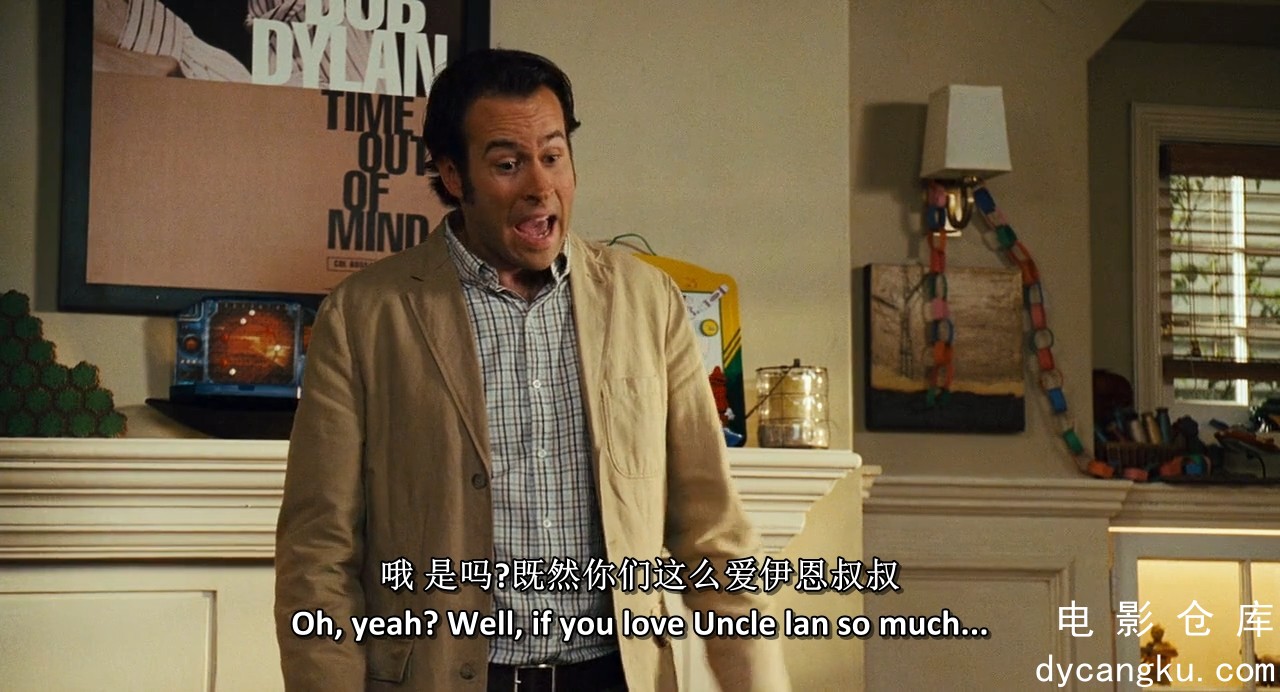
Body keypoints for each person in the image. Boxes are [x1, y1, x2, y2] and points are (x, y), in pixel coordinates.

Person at [273, 47, 790, 691]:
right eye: (507, 164)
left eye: (553, 156)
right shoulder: (365, 314)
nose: (540, 187)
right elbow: (319, 552)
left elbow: (712, 529)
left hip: (614, 676)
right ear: (453, 174)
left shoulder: (646, 301)